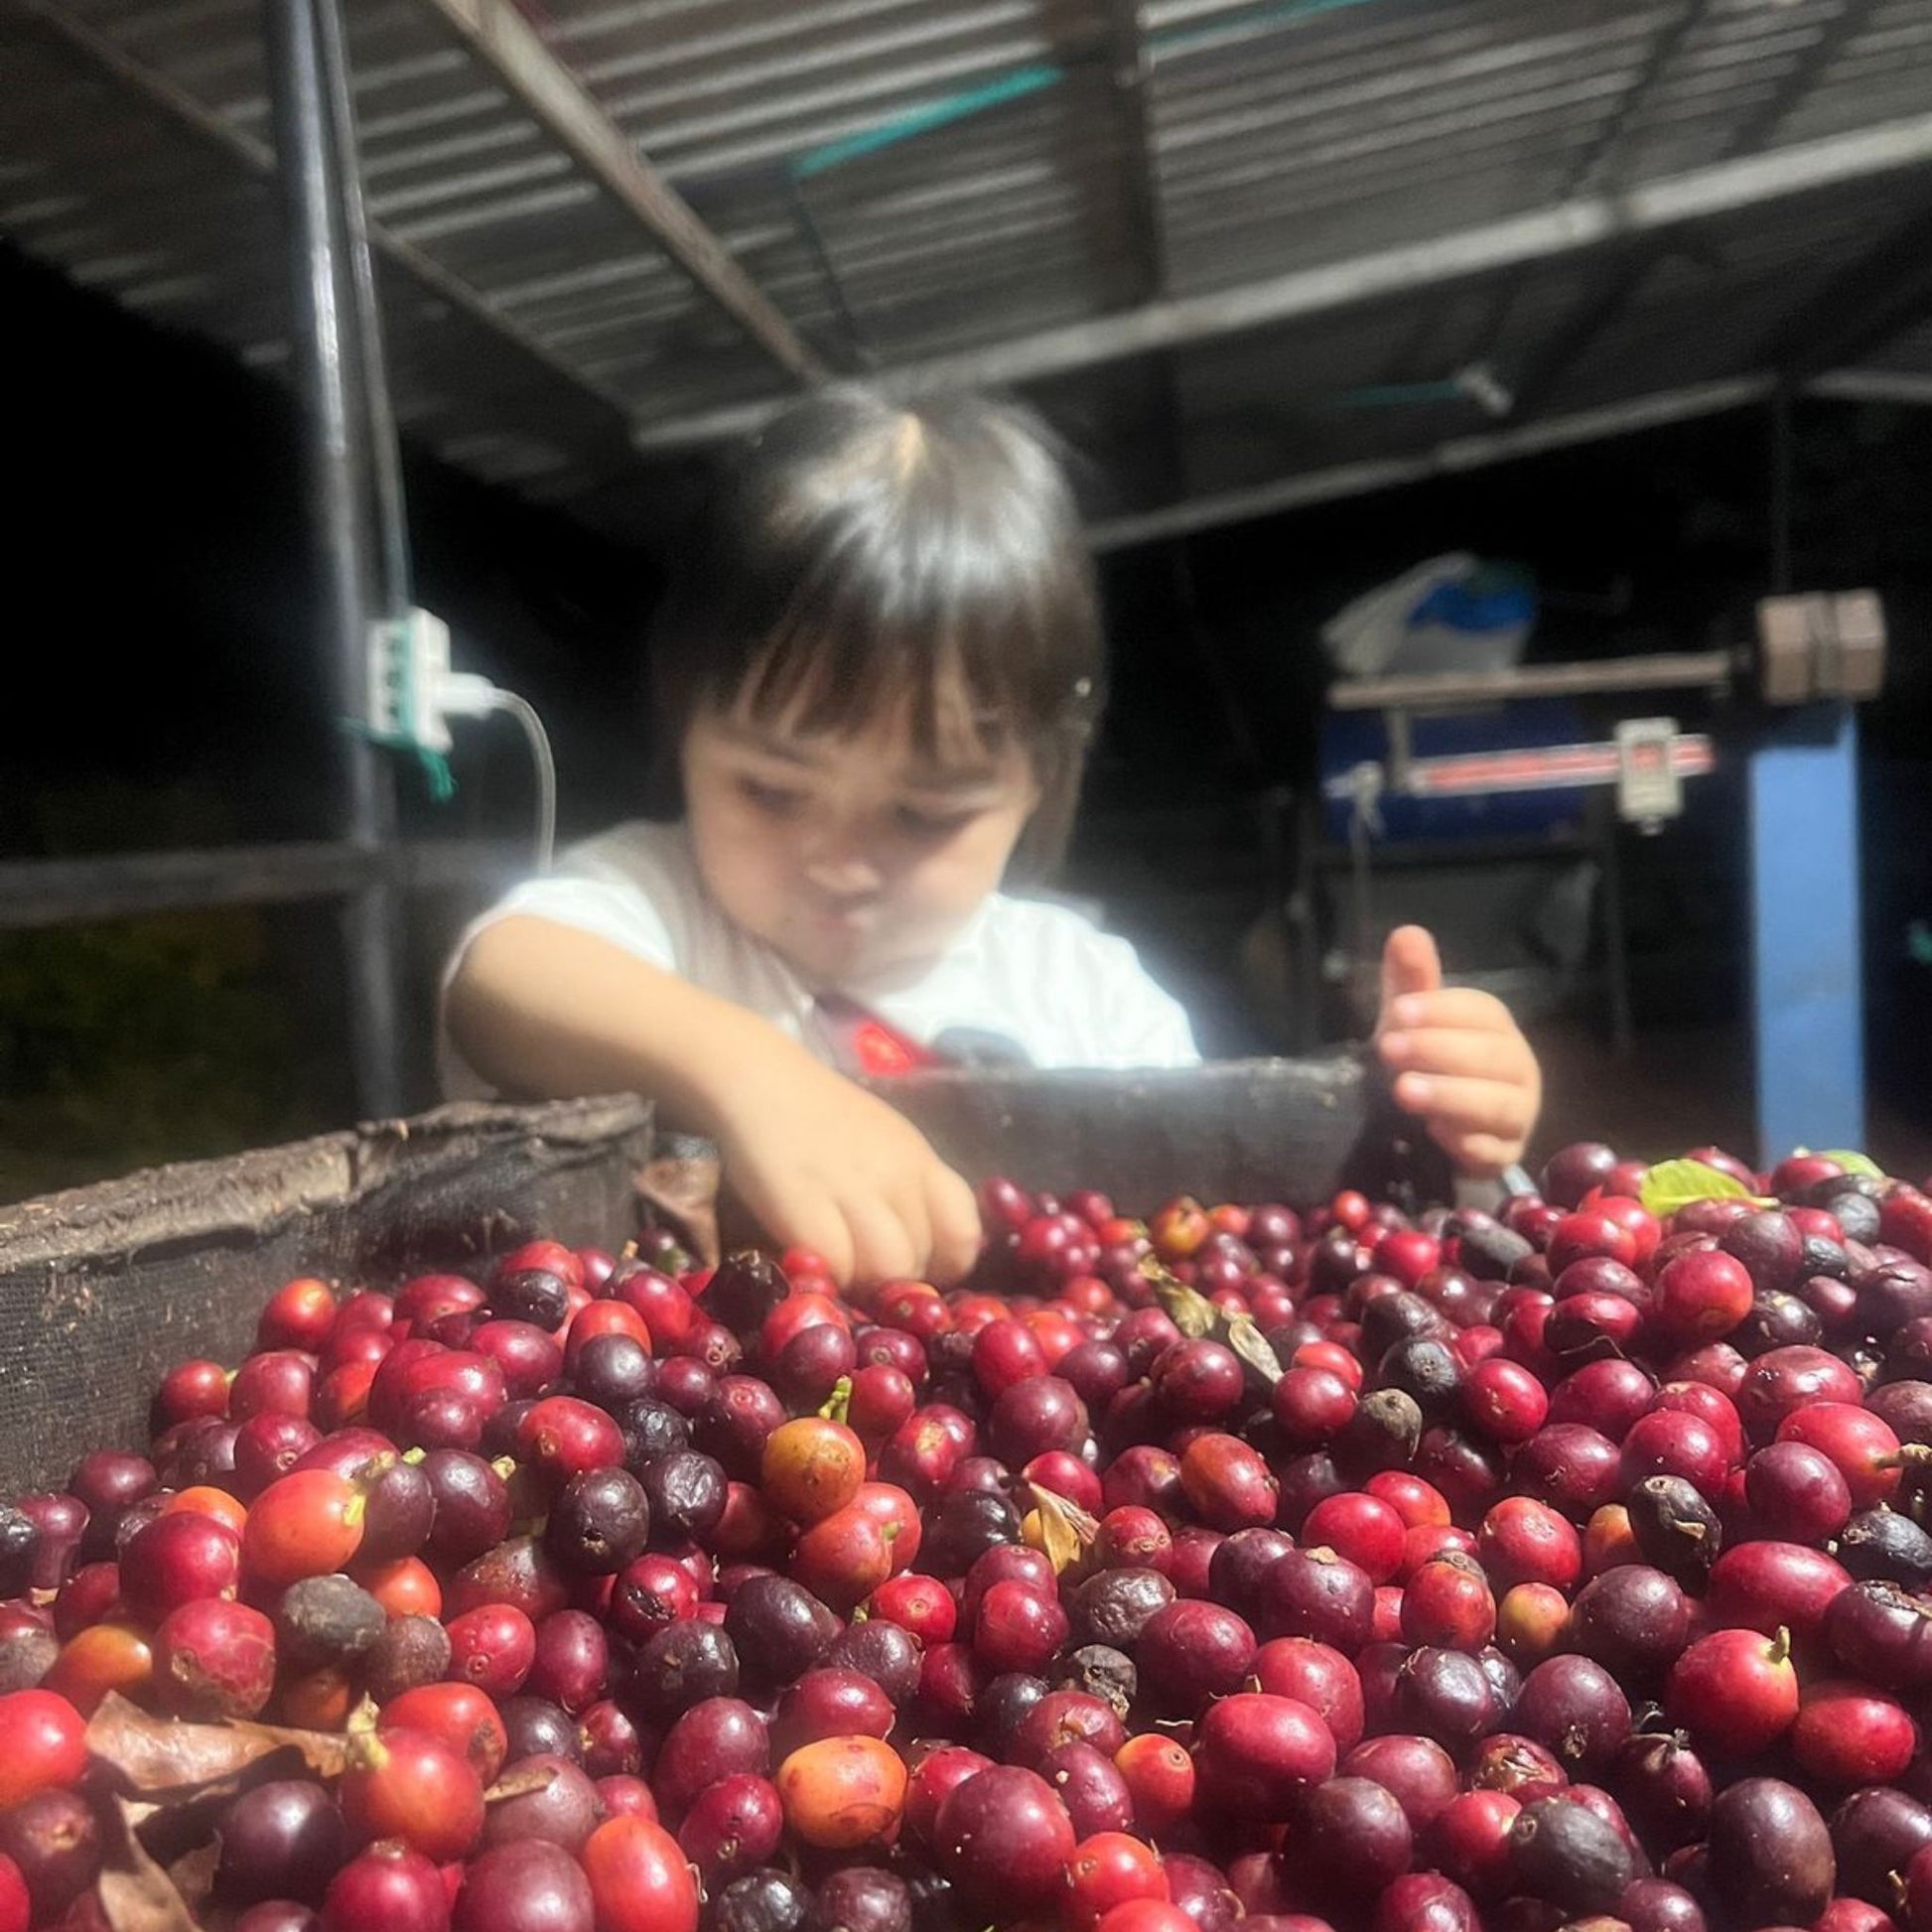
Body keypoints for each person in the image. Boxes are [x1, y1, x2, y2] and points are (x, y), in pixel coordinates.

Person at [442, 388, 1542, 1286]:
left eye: (922, 813)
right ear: (684, 731)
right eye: (770, 791)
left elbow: (1209, 1203)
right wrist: (754, 1075)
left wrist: (1424, 1119)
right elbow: (501, 976)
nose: (836, 858)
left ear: (1038, 785)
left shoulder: (1082, 992)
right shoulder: (659, 908)